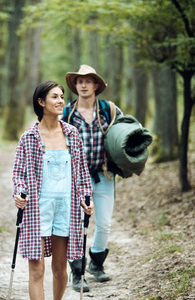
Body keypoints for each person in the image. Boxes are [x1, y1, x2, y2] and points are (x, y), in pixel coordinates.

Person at [12, 80, 94, 300]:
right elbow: (19, 174)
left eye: (61, 97)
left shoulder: (72, 134)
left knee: (60, 270)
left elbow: (82, 172)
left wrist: (88, 198)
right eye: (54, 97)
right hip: (37, 209)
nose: (60, 101)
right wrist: (19, 193)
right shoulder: (29, 138)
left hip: (66, 207)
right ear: (41, 102)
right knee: (37, 269)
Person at [62, 65, 123, 292]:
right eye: (79, 82)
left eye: (88, 81)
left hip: (103, 175)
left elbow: (127, 132)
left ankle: (96, 265)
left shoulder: (110, 110)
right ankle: (77, 274)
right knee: (77, 226)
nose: (84, 85)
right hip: (75, 179)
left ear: (96, 85)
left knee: (104, 223)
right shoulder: (67, 113)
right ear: (75, 86)